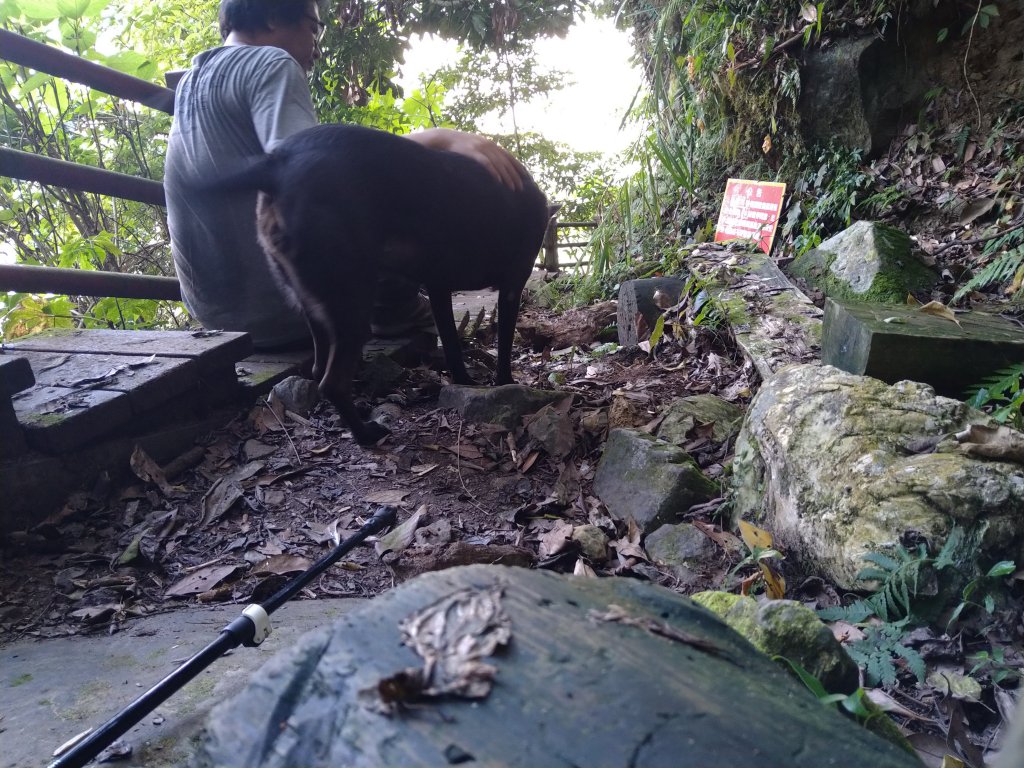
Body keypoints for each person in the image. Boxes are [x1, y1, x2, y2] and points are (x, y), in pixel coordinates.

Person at [164, 0, 524, 349]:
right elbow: (310, 173)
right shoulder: (271, 62)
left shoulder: (192, 80)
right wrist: (440, 137)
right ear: (274, 16)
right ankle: (394, 314)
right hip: (288, 307)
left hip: (215, 314)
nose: (317, 49)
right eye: (313, 28)